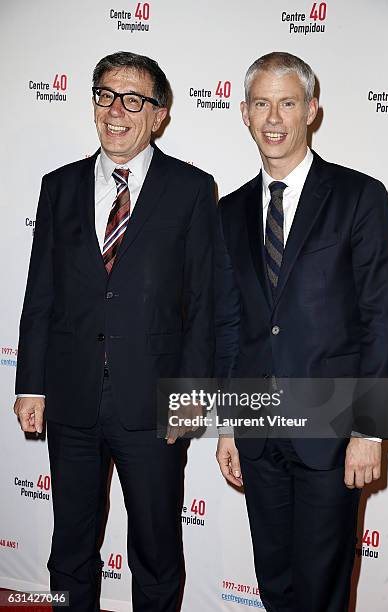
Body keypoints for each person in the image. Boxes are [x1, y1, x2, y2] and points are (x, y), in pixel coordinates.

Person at [14, 51, 216, 611]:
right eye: (105, 95)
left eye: (134, 100)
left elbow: (201, 302)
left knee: (155, 550)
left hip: (152, 403)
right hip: (72, 399)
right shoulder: (59, 187)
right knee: (68, 548)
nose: (116, 111)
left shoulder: (192, 189)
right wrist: (30, 384)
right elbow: (40, 294)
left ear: (160, 114)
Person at [215, 52, 388, 612]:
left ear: (312, 111)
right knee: (274, 581)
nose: (274, 118)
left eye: (288, 103)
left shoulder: (359, 197)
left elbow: (383, 318)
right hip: (258, 431)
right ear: (244, 113)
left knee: (322, 589)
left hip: (332, 431)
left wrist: (370, 431)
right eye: (262, 104)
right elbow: (231, 325)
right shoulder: (228, 212)